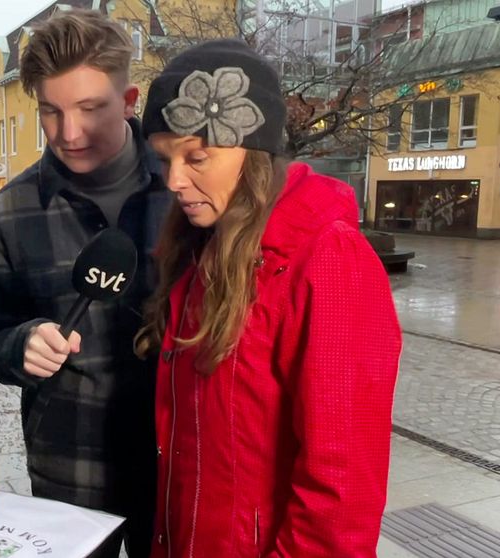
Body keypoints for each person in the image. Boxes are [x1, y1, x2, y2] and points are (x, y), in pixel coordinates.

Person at [135, 39, 402, 557]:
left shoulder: (329, 259)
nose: (174, 180)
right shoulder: (199, 249)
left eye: (196, 157)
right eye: (166, 159)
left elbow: (341, 489)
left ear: (253, 152)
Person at [0, 9, 169, 558]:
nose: (69, 132)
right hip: (69, 471)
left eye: (90, 108)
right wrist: (23, 344)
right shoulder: (10, 212)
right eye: (51, 112)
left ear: (129, 101)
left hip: (177, 458)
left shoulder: (183, 191)